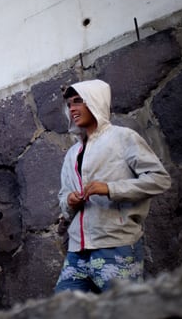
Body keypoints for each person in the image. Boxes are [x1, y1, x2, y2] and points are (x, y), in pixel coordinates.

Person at [54, 79, 171, 293]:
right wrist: (69, 200)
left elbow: (159, 179)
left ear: (94, 102)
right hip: (77, 252)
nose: (72, 109)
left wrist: (110, 189)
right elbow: (63, 197)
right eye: (69, 104)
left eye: (78, 102)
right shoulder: (71, 154)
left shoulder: (123, 137)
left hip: (115, 246)